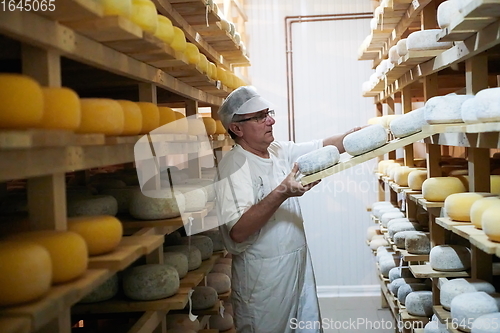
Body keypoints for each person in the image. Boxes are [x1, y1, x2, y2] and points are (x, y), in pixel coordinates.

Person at [214, 86, 360, 333]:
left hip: (297, 266)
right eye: (259, 117)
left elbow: (324, 146)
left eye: (267, 113)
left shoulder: (276, 151)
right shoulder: (234, 166)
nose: (271, 120)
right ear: (236, 128)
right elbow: (237, 231)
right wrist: (283, 191)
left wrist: (357, 135)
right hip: (263, 279)